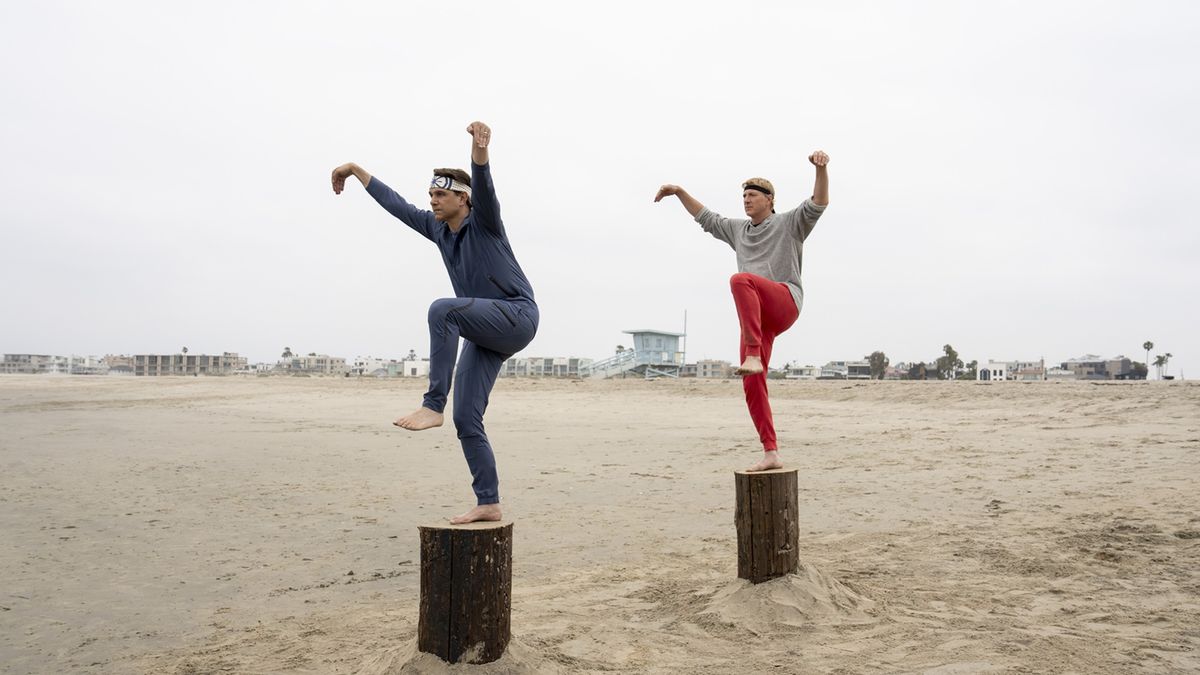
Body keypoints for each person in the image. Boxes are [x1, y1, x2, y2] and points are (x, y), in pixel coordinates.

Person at [331, 122, 538, 524]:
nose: (432, 201)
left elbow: (485, 184)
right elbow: (396, 205)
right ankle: (488, 501)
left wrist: (480, 152)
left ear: (463, 198)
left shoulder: (485, 222)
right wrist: (356, 170)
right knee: (467, 419)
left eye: (440, 194)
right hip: (485, 332)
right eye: (430, 195)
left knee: (442, 309)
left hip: (517, 315)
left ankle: (432, 404)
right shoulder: (437, 229)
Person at [654, 151, 830, 472]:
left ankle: (752, 356)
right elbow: (707, 219)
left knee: (740, 279)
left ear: (769, 200)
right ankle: (771, 452)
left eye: (752, 195)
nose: (746, 200)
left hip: (784, 301)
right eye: (744, 196)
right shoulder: (739, 231)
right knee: (751, 383)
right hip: (757, 321)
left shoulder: (789, 223)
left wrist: (821, 169)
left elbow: (819, 202)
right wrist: (679, 192)